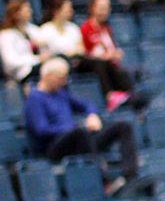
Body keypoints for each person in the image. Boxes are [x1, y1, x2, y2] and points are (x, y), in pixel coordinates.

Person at [23, 58, 138, 192]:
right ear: (49, 76)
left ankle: (129, 175)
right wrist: (71, 128)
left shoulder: (61, 93)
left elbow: (87, 105)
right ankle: (104, 181)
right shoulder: (34, 99)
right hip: (55, 146)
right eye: (61, 78)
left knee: (122, 126)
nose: (64, 82)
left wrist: (92, 115)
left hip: (81, 140)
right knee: (80, 132)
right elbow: (41, 130)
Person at [0, 0, 49, 84]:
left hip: (37, 66)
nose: (30, 12)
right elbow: (11, 62)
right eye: (26, 10)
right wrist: (37, 59)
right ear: (16, 14)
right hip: (21, 72)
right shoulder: (6, 35)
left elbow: (45, 42)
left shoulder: (32, 29)